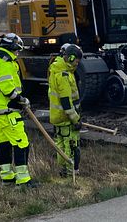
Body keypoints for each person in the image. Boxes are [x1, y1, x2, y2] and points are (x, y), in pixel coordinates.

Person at [0, 33, 36, 187]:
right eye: (17, 49)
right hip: (8, 111)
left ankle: (7, 177)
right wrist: (21, 100)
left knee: (4, 144)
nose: (18, 52)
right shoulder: (5, 62)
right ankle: (23, 180)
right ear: (12, 47)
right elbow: (7, 89)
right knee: (22, 143)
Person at [48, 43, 83, 177]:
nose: (77, 64)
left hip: (57, 116)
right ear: (71, 58)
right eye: (77, 61)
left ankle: (62, 171)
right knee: (71, 146)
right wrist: (76, 120)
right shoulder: (64, 75)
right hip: (66, 118)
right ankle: (70, 174)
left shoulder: (55, 69)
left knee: (60, 146)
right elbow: (66, 102)